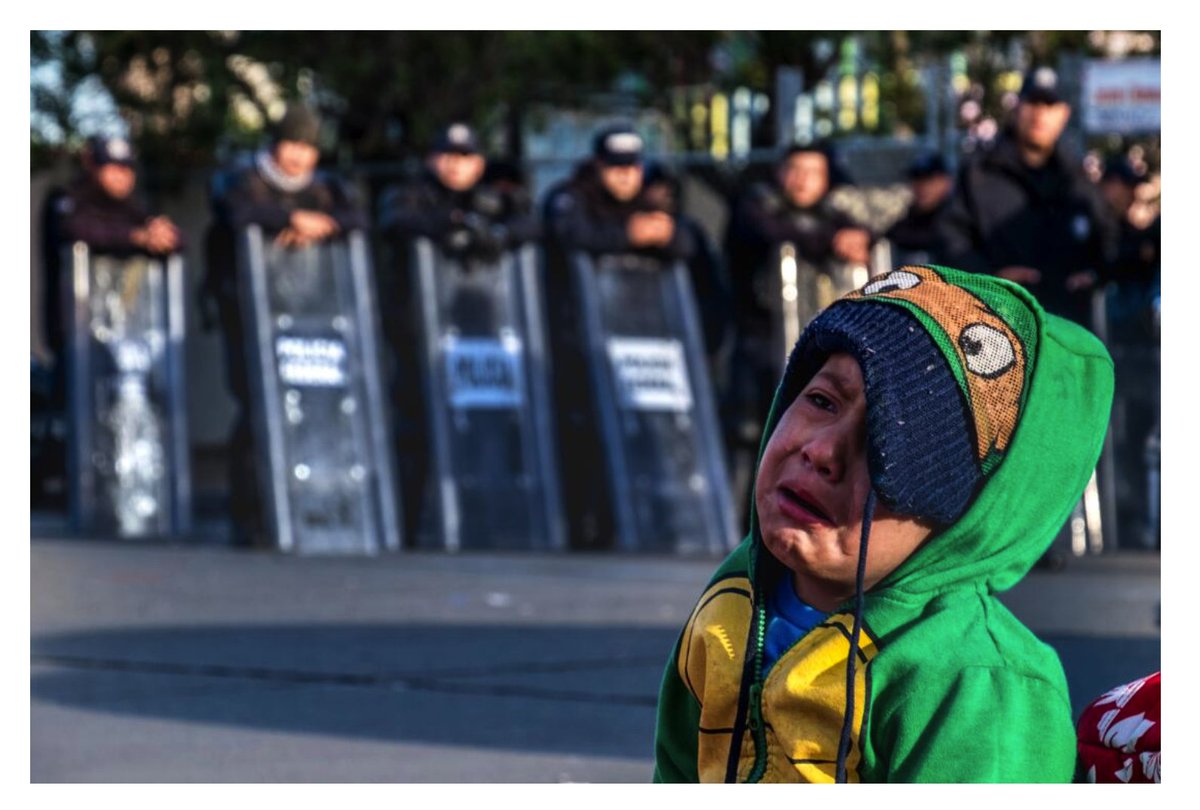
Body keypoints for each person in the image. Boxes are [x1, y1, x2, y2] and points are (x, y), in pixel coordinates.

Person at [654, 264, 1113, 782]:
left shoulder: (974, 682)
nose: (823, 451)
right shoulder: (739, 594)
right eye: (822, 400)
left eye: (888, 445)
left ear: (969, 519)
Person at [204, 104, 366, 546]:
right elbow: (236, 213)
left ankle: (316, 508)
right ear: (276, 145)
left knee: (318, 409)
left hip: (312, 315)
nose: (299, 157)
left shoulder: (326, 190)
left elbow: (361, 219)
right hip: (250, 317)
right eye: (293, 144)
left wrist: (325, 224)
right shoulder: (243, 180)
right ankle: (253, 519)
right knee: (257, 408)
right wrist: (291, 219)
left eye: (309, 147)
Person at [375, 122, 539, 544]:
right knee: (414, 430)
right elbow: (397, 221)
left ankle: (485, 526)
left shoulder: (494, 200)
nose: (455, 165)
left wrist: (492, 233)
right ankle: (409, 529)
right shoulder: (412, 194)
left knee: (486, 435)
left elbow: (533, 225)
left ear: (479, 163)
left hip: (479, 341)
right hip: (419, 336)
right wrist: (449, 227)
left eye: (465, 156)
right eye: (447, 155)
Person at [722, 141, 873, 533]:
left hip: (810, 353)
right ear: (780, 173)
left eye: (814, 172)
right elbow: (770, 231)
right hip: (760, 346)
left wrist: (857, 238)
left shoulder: (832, 214)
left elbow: (867, 229)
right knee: (751, 437)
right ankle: (740, 530)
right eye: (796, 170)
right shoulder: (759, 208)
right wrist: (831, 241)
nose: (803, 181)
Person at [35, 135, 183, 509]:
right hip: (78, 332)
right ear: (92, 166)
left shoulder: (135, 208)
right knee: (81, 412)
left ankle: (127, 489)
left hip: (130, 334)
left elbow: (168, 239)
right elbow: (77, 231)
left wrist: (164, 237)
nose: (119, 177)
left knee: (130, 410)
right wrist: (135, 237)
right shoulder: (67, 200)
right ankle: (80, 496)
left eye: (125, 169)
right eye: (110, 168)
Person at [939, 66, 1114, 327]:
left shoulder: (1077, 179)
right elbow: (950, 239)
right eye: (1033, 102)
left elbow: (1107, 239)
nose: (1040, 114)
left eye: (1050, 104)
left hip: (1067, 330)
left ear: (1064, 114)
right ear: (1018, 107)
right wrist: (989, 278)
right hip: (995, 326)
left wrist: (1095, 274)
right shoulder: (979, 173)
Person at [884, 150, 953, 266]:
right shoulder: (909, 217)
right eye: (916, 179)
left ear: (946, 182)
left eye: (929, 180)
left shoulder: (957, 217)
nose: (922, 187)